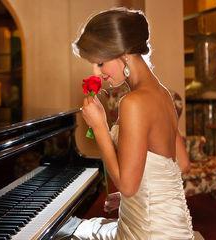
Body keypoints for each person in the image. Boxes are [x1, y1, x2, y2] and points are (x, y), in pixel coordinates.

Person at [56, 7, 194, 240]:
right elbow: (182, 164)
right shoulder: (162, 94)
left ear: (123, 54)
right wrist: (138, 195)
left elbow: (128, 186)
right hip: (170, 226)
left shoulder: (133, 102)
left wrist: (99, 127)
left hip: (150, 232)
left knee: (68, 233)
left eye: (100, 63)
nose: (97, 73)